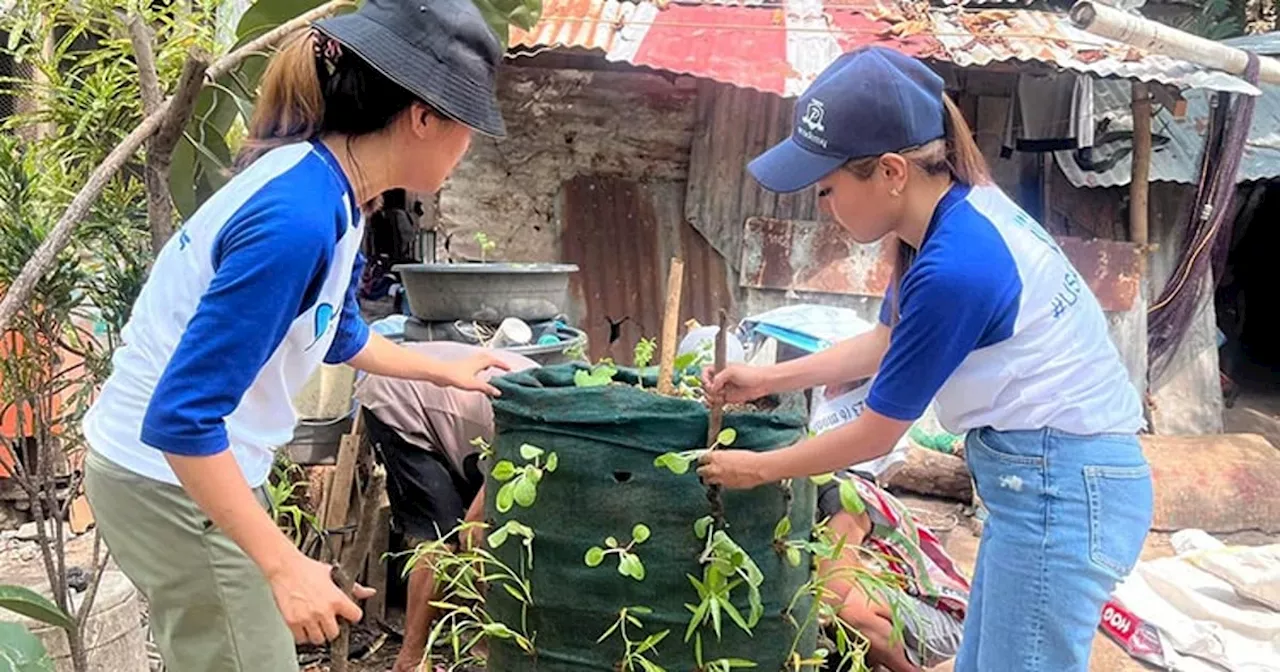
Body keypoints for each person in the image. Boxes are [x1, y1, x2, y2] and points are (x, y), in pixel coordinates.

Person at [81, 2, 510, 670]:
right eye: (468, 126)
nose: (470, 146)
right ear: (424, 119)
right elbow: (181, 418)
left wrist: (443, 369)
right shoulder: (297, 220)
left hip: (193, 467)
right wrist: (283, 567)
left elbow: (334, 334)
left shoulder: (334, 192)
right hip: (168, 475)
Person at [697, 46, 1153, 672]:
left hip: (1064, 489)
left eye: (828, 188)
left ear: (890, 171)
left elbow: (877, 432)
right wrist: (769, 377)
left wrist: (763, 468)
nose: (824, 206)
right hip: (1040, 483)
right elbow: (887, 342)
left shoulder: (957, 264)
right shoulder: (949, 221)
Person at [354, 342, 539, 672]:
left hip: (456, 410)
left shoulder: (560, 428)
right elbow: (474, 530)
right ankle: (410, 660)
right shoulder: (532, 435)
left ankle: (483, 647)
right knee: (442, 533)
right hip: (399, 400)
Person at [817, 472, 968, 672]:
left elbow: (827, 603)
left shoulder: (842, 505)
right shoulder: (833, 482)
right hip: (903, 603)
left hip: (944, 620)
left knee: (847, 603)